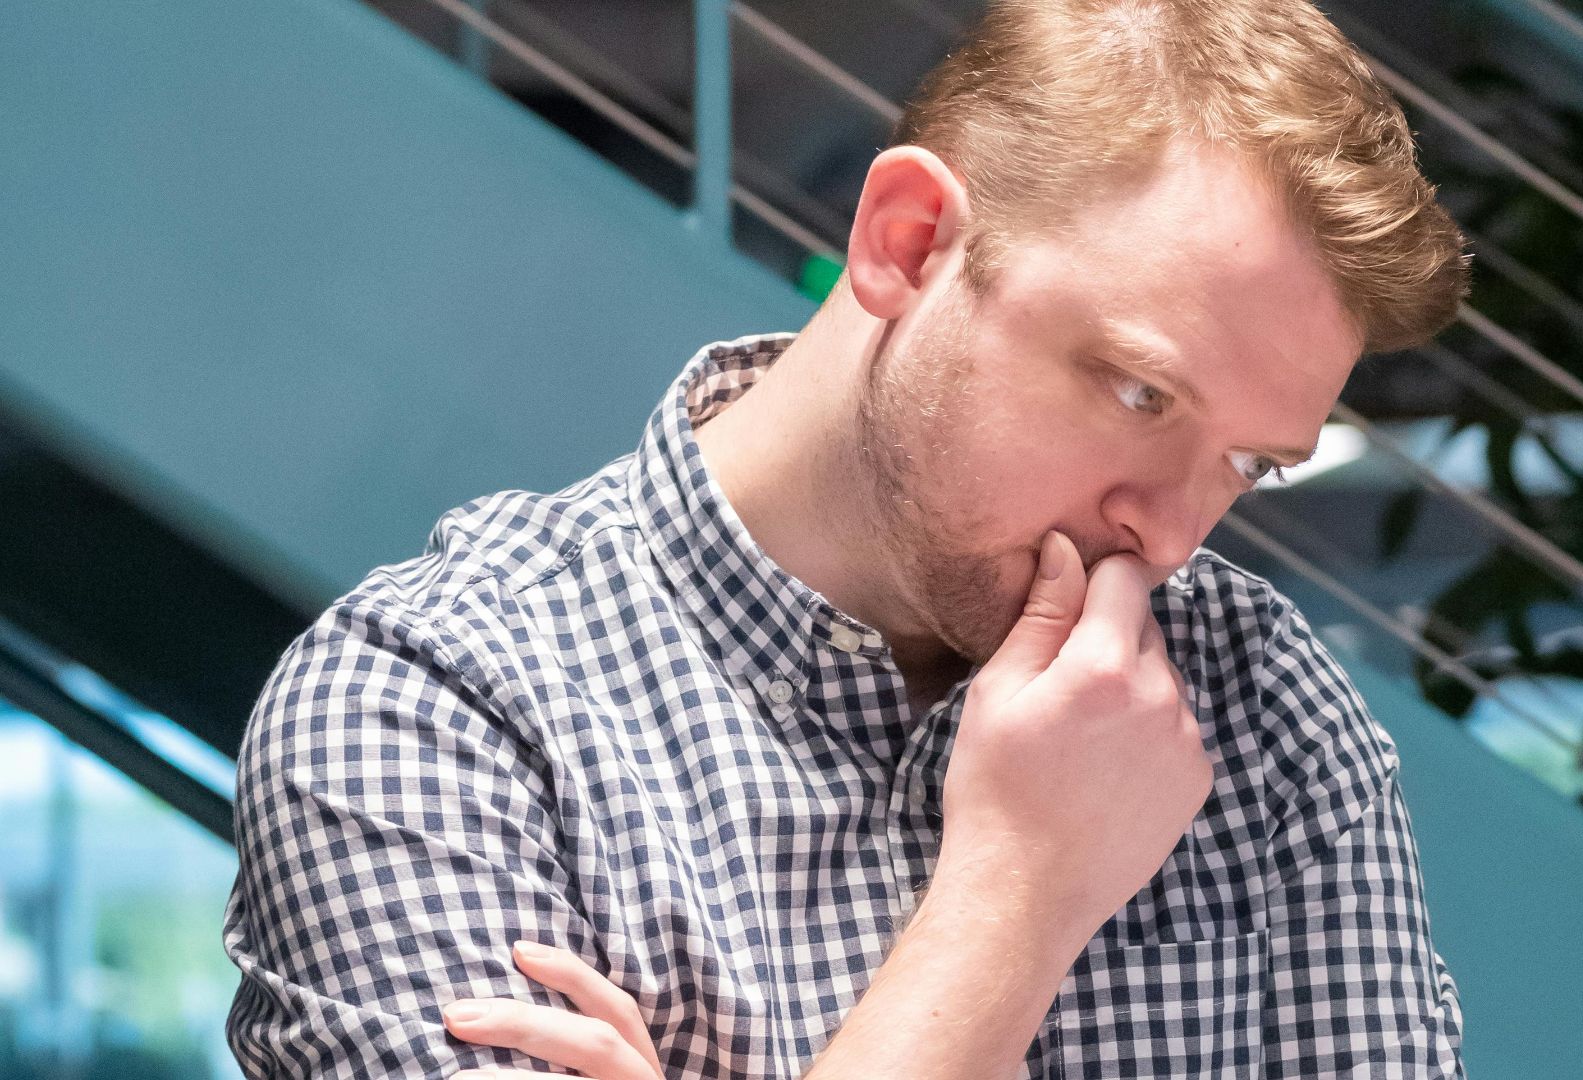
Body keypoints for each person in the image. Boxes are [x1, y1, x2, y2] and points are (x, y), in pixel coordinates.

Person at [221, 0, 1471, 1076]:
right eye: (1142, 394)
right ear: (908, 242)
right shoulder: (430, 710)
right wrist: (1019, 896)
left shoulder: (1260, 707)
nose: (1171, 536)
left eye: (1247, 465)